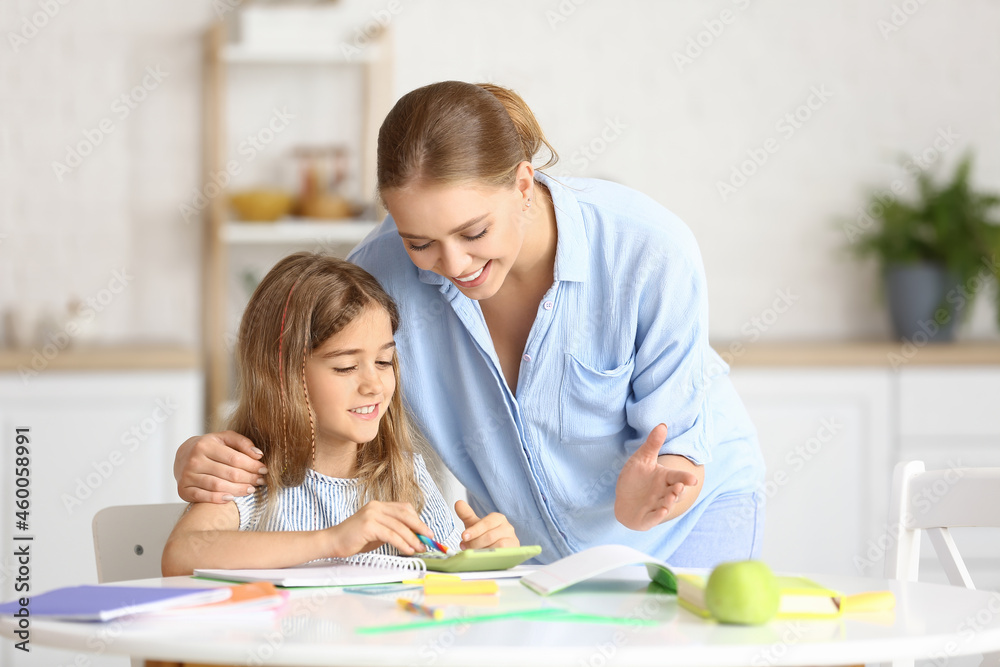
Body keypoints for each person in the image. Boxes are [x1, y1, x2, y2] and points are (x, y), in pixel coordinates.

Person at [173, 81, 765, 568]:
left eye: (473, 232)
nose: (453, 266)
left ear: (523, 185)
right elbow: (303, 384)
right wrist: (200, 458)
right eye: (419, 242)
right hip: (522, 550)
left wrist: (658, 488)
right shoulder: (379, 276)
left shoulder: (646, 248)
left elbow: (678, 447)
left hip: (687, 523)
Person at [162, 253, 519, 576]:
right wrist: (332, 540)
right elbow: (180, 555)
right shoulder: (247, 474)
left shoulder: (403, 476)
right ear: (281, 374)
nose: (374, 385)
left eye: (383, 362)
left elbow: (443, 573)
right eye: (346, 367)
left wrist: (485, 559)